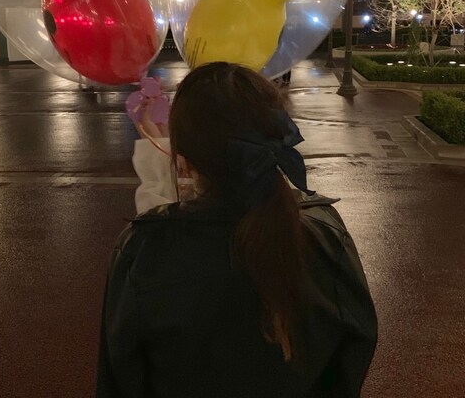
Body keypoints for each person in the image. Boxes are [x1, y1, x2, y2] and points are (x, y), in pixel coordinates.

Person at [97, 62, 377, 397]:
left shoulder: (143, 249)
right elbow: (355, 348)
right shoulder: (326, 234)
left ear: (185, 159)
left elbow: (120, 375)